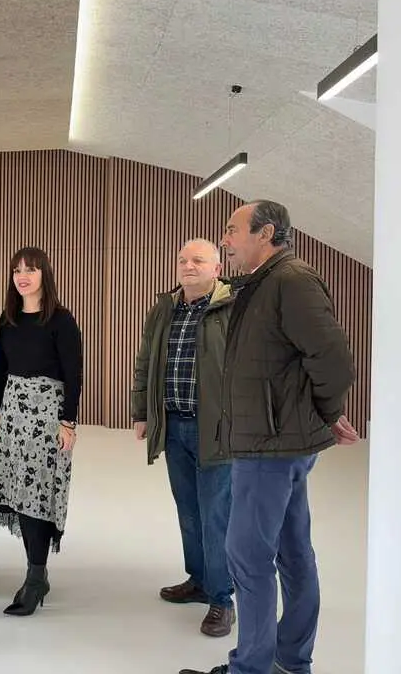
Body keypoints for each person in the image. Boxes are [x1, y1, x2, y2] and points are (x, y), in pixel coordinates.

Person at [181, 200, 359, 674]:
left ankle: (252, 667)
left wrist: (327, 411)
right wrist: (319, 416)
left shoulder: (291, 281)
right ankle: (290, 663)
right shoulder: (261, 284)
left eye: (232, 230)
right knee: (292, 552)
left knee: (247, 557)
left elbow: (334, 360)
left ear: (266, 234)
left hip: (271, 447)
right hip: (276, 442)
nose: (225, 240)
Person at [131, 239, 237, 637]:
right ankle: (199, 580)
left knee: (216, 516)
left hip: (216, 429)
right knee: (189, 512)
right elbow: (145, 362)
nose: (188, 266)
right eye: (182, 260)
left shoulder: (231, 307)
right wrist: (142, 411)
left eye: (198, 260)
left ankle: (222, 599)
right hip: (174, 425)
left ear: (216, 267)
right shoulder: (165, 308)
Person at [0, 247, 82, 616]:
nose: (22, 276)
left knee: (39, 492)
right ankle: (35, 573)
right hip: (13, 411)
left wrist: (68, 421)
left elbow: (73, 373)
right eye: (16, 270)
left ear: (45, 274)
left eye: (30, 269)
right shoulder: (7, 318)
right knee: (19, 492)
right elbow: (0, 368)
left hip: (48, 414)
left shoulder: (60, 319)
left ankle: (35, 575)